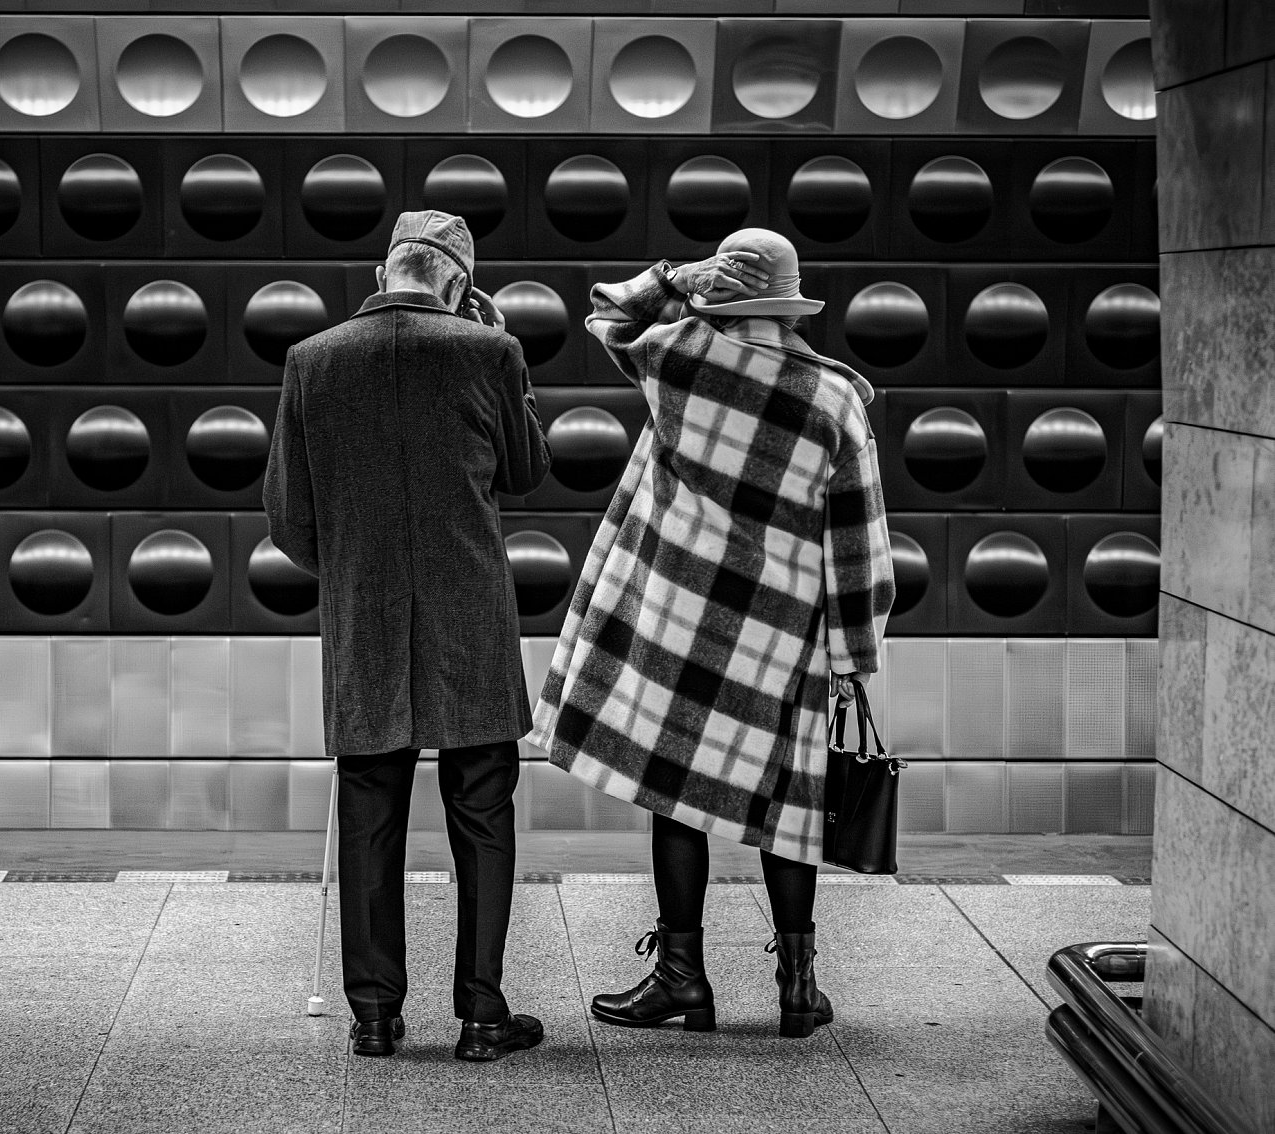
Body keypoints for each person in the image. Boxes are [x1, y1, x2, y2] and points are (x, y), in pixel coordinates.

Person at [526, 228, 895, 1039]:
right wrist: (854, 654)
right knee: (788, 809)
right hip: (783, 637)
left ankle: (682, 979)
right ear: (790, 305)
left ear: (722, 295)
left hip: (683, 625)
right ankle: (797, 988)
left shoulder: (681, 359)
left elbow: (611, 314)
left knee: (676, 798)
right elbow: (857, 540)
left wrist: (678, 277)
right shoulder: (835, 400)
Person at [263, 210, 553, 1062]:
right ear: (457, 284)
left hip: (367, 620)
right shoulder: (489, 351)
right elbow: (527, 469)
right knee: (483, 812)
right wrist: (504, 350)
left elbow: (289, 516)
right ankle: (483, 1015)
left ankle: (374, 1017)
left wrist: (355, 569)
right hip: (473, 619)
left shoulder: (311, 360)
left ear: (383, 271)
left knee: (369, 811)